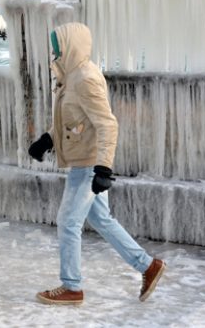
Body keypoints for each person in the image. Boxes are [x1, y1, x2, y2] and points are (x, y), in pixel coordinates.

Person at [28, 22, 165, 306]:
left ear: (71, 46)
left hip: (89, 164)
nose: (53, 53)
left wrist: (104, 168)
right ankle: (148, 266)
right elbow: (75, 123)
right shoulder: (72, 76)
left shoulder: (84, 79)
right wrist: (47, 140)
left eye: (57, 47)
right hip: (84, 159)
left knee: (68, 222)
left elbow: (107, 124)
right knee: (101, 219)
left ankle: (71, 287)